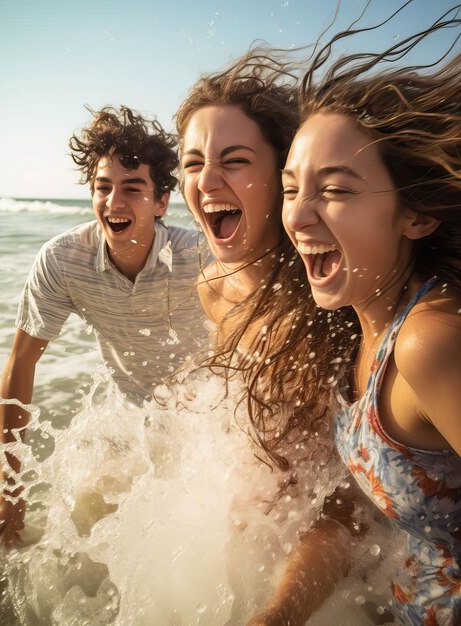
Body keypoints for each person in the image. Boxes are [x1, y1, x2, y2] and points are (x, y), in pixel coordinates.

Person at [245, 12, 461, 625]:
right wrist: (279, 614)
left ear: (415, 217)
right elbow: (353, 502)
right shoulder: (350, 331)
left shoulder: (428, 343)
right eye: (291, 189)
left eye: (335, 190)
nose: (299, 217)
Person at [176, 53, 367, 624]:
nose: (206, 182)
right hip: (257, 530)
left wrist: (279, 613)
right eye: (191, 163)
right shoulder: (212, 286)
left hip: (342, 568)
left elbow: (348, 503)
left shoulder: (330, 306)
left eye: (234, 161)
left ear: (283, 175)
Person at [0, 106, 208, 547]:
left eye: (132, 188)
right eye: (103, 187)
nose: (114, 202)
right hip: (128, 417)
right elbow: (22, 361)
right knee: (85, 525)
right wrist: (8, 489)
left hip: (208, 421)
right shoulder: (63, 261)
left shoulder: (200, 257)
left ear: (161, 201)